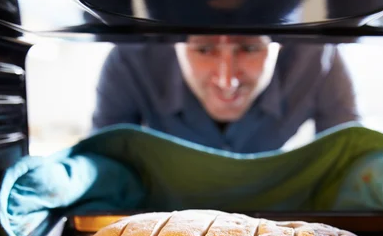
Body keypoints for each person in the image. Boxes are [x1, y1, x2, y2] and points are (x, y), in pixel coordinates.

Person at [93, 35, 359, 153]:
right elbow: (104, 159)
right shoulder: (130, 59)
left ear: (280, 43)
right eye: (205, 50)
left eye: (250, 48)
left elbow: (350, 159)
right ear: (175, 44)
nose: (227, 80)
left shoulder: (318, 59)